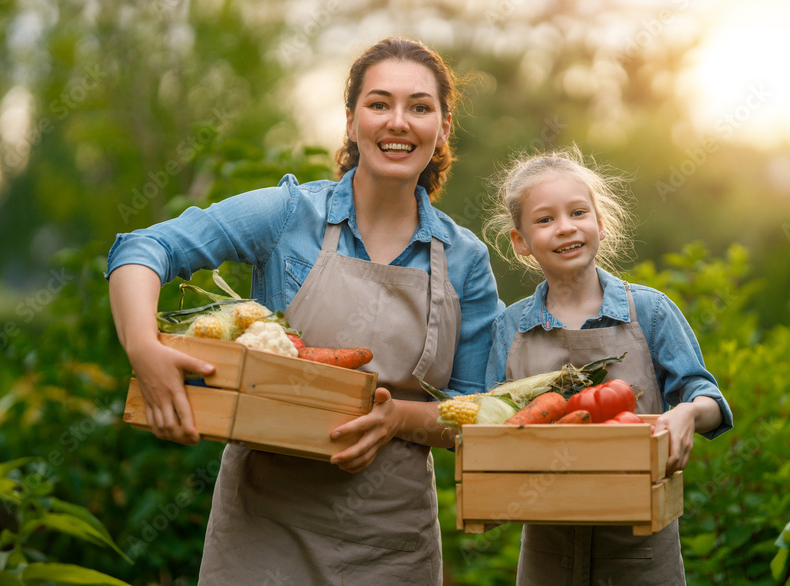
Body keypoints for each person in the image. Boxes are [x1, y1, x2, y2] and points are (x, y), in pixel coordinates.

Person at [106, 37, 502, 584]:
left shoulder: (466, 260)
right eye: (379, 103)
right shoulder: (291, 215)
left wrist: (397, 420)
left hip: (393, 546)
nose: (398, 123)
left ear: (443, 128)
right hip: (264, 530)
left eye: (419, 107)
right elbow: (143, 249)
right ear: (350, 120)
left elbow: (477, 415)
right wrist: (143, 346)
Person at [483, 147, 733, 585]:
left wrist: (688, 412)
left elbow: (708, 397)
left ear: (600, 222)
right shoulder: (510, 327)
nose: (565, 228)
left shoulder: (650, 312)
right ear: (520, 242)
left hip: (642, 553)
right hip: (546, 552)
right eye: (544, 220)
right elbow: (489, 427)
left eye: (578, 212)